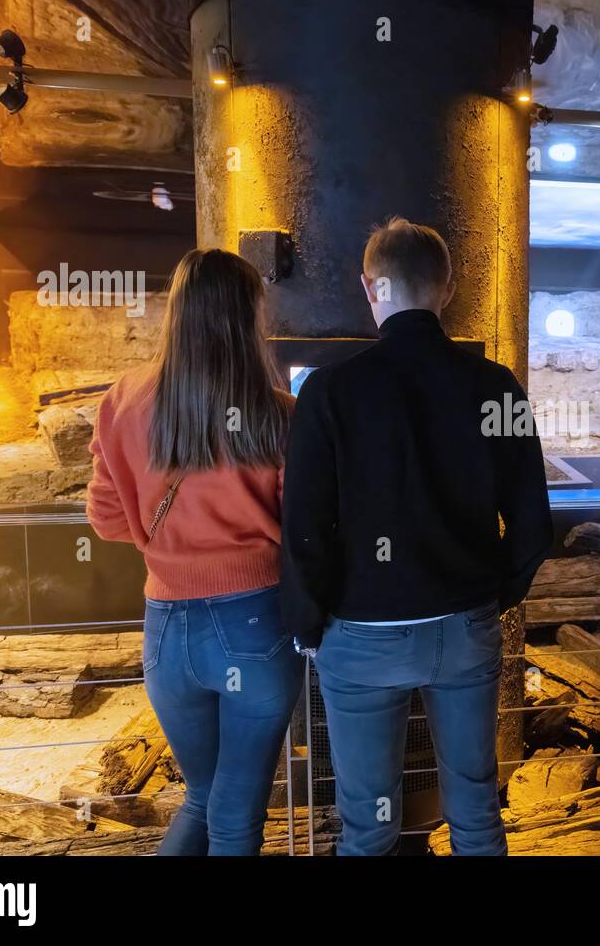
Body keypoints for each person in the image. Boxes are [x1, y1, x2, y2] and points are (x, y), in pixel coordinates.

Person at [281, 216, 552, 856]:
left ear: (370, 287)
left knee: (368, 826)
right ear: (447, 288)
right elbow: (534, 522)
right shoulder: (495, 385)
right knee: (478, 810)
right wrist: (492, 597)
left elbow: (305, 526)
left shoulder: (328, 391)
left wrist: (309, 623)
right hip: (463, 628)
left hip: (361, 636)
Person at [86, 248, 302, 855]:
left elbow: (105, 520)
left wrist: (171, 545)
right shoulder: (279, 413)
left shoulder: (123, 400)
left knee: (204, 799)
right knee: (236, 813)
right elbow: (305, 526)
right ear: (248, 317)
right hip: (254, 624)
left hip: (166, 632)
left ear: (176, 312)